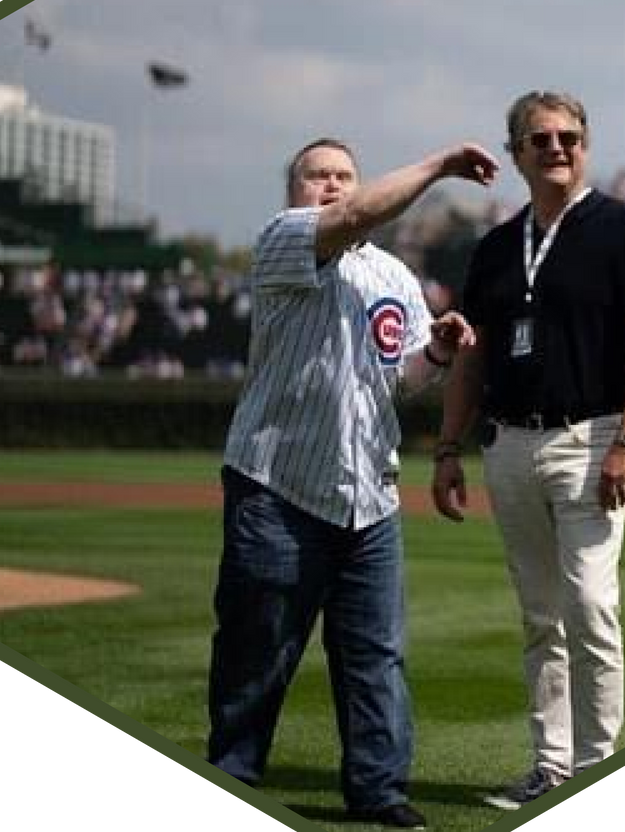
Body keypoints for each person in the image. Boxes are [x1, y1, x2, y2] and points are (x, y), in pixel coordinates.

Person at [208, 136, 499, 829]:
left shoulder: (395, 276)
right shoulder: (284, 239)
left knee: (375, 657)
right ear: (294, 190)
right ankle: (233, 774)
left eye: (344, 175)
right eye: (318, 176)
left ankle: (378, 790)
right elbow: (352, 219)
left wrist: (437, 350)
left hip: (369, 492)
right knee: (259, 650)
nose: (333, 186)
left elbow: (401, 382)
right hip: (276, 483)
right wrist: (437, 167)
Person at [431, 91, 625, 809]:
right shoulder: (496, 247)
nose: (557, 148)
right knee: (540, 615)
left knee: (591, 605)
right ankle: (551, 765)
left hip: (591, 435)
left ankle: (596, 764)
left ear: (586, 144)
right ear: (514, 154)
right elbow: (470, 360)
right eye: (540, 139)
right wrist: (447, 448)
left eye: (569, 136)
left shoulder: (624, 229)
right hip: (507, 441)